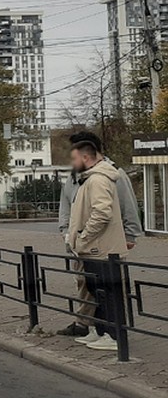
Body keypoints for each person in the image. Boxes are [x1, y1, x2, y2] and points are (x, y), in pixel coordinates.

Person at [55, 131, 141, 338]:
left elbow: (126, 205)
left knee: (107, 286)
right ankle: (88, 325)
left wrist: (130, 235)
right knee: (85, 283)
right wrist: (66, 232)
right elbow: (67, 205)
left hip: (102, 243)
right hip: (80, 243)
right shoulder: (75, 177)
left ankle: (109, 332)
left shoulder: (111, 174)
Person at [66, 138, 130, 351]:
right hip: (96, 248)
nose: (72, 163)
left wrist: (83, 237)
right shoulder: (92, 178)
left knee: (106, 291)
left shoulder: (97, 180)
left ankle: (112, 336)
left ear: (86, 158)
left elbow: (102, 213)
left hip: (100, 248)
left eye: (75, 158)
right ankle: (102, 331)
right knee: (98, 291)